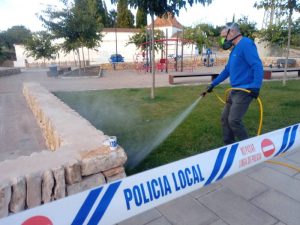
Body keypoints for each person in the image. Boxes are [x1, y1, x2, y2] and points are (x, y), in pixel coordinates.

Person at [201, 22, 263, 145]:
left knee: (234, 120)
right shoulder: (234, 50)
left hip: (245, 90)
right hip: (235, 90)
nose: (223, 40)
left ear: (232, 32)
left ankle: (249, 148)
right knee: (225, 119)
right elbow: (227, 70)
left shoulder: (246, 44)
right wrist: (213, 84)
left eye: (224, 37)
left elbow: (257, 65)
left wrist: (256, 86)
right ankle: (229, 145)